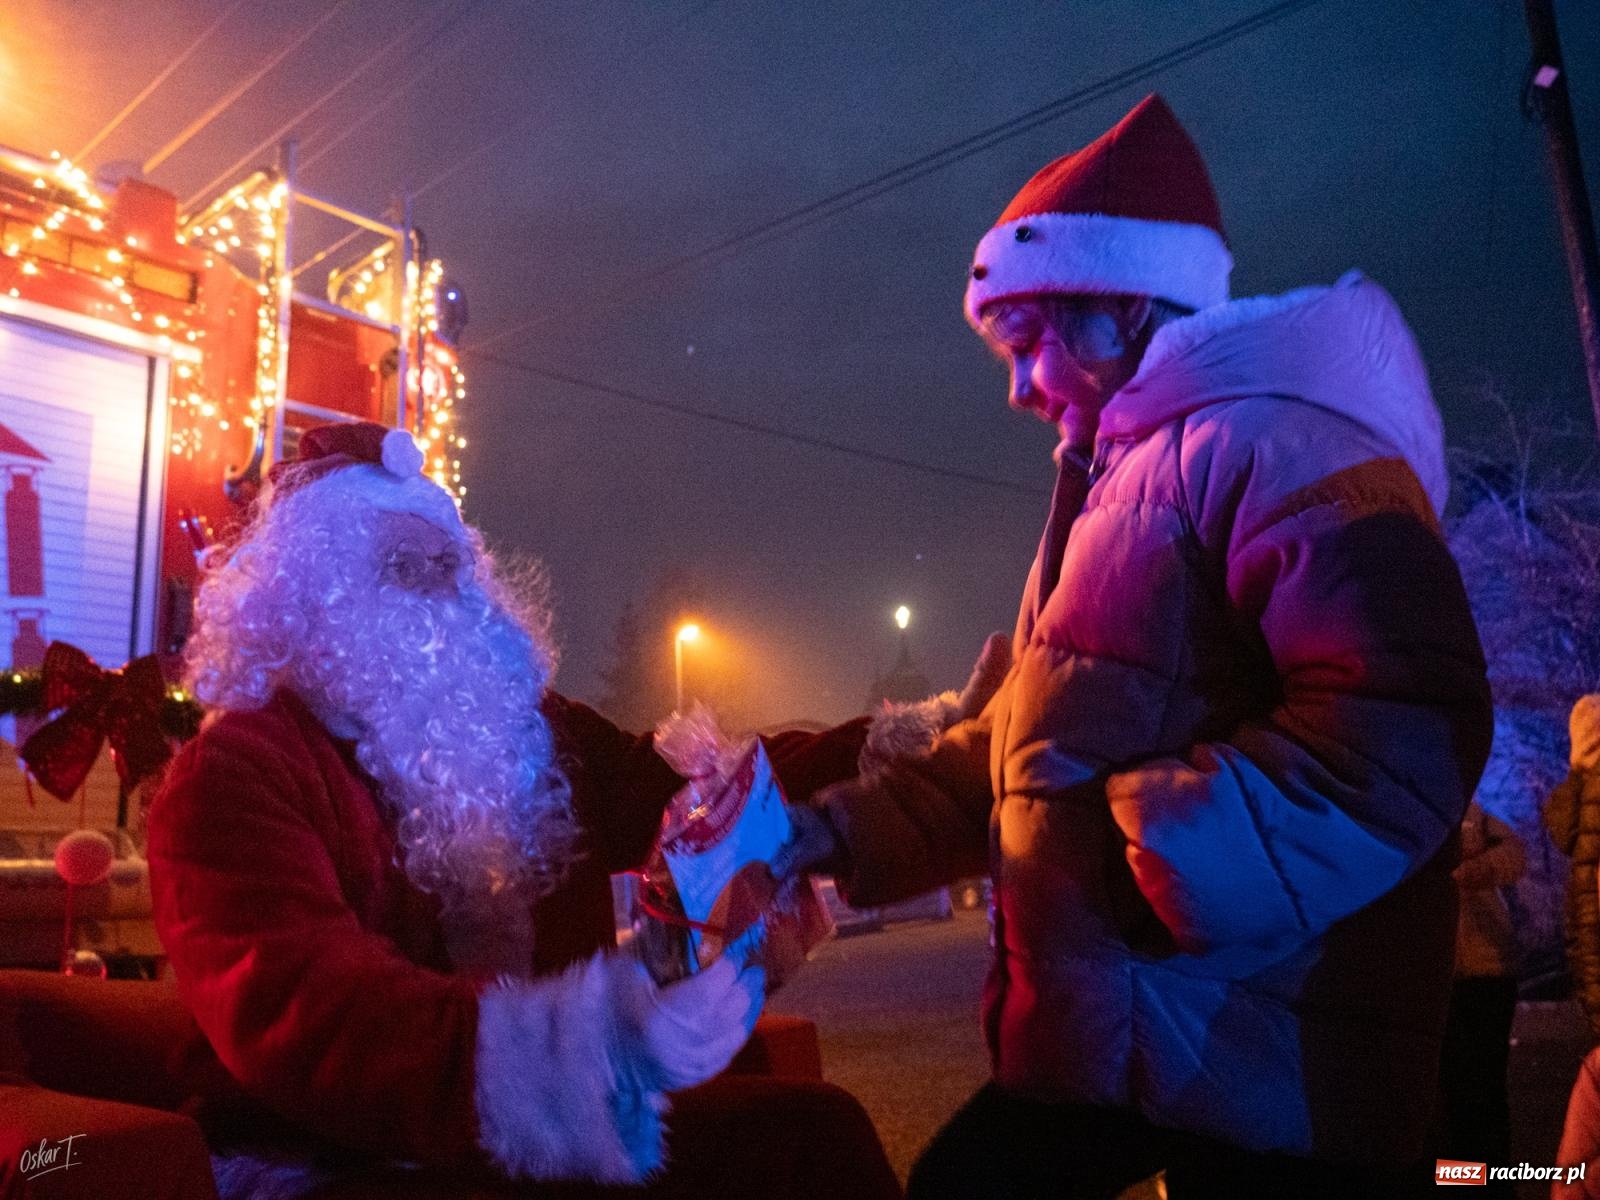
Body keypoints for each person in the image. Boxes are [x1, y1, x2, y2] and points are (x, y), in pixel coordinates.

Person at [781, 94, 1493, 1198]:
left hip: (1277, 1049)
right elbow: (1023, 744)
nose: (1016, 389)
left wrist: (1144, 859)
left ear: (1117, 307)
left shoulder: (1281, 442)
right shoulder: (1115, 485)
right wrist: (823, 834)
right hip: (1141, 1026)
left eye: (1026, 345)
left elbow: (1402, 724)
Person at [148, 421, 992, 1199]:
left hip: (562, 1124)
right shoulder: (237, 775)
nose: (451, 595)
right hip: (335, 1155)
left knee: (811, 1137)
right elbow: (321, 1022)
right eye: (408, 566)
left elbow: (697, 786)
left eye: (456, 565)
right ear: (311, 597)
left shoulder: (532, 730)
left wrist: (933, 738)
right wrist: (588, 1037)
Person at [1438, 801, 1527, 1197]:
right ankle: (1466, 1183)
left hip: (1484, 969)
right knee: (1451, 1095)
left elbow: (1514, 855)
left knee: (1481, 1090)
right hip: (1440, 975)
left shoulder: (1471, 810)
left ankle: (1490, 1184)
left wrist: (1471, 873)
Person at [1547, 693, 1600, 1037]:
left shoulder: (1581, 783)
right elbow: (1564, 831)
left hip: (1589, 911)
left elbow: (1561, 830)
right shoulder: (1585, 783)